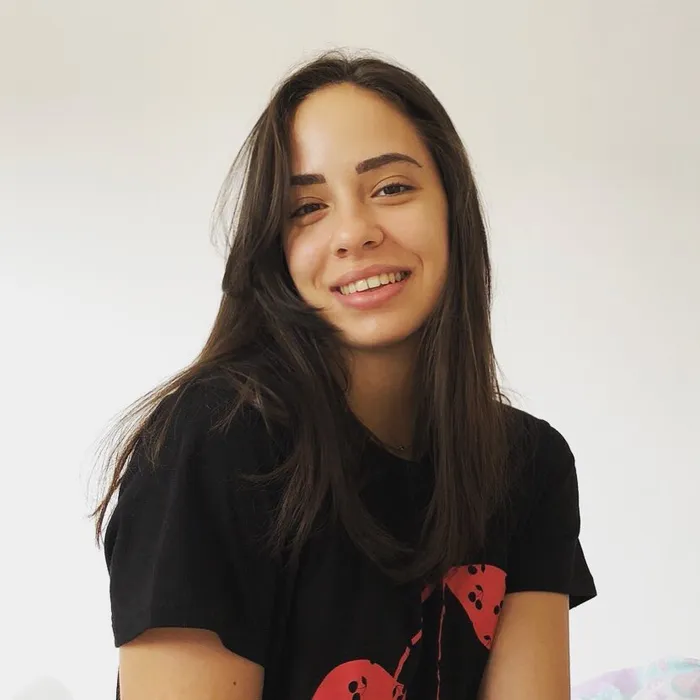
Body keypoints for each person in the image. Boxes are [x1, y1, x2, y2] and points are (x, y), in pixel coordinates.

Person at [92, 50, 597, 700]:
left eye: (391, 188)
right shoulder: (212, 443)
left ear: (452, 209)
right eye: (307, 207)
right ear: (274, 248)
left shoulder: (529, 467)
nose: (353, 233)